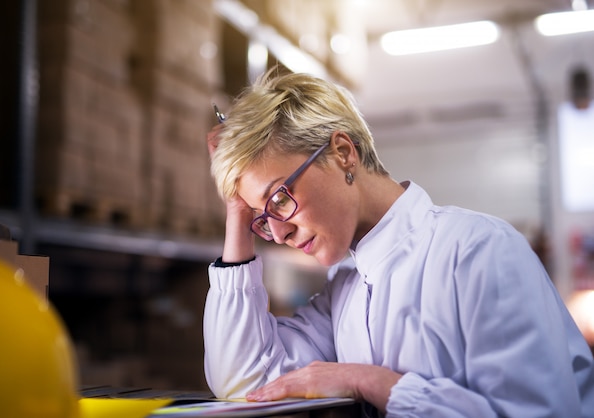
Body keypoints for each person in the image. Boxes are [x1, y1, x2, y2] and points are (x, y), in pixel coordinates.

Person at [203, 68, 594, 417]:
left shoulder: (479, 251)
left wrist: (372, 383)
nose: (280, 232)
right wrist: (239, 210)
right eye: (263, 220)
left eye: (280, 199)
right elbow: (244, 383)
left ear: (342, 153)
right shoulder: (347, 289)